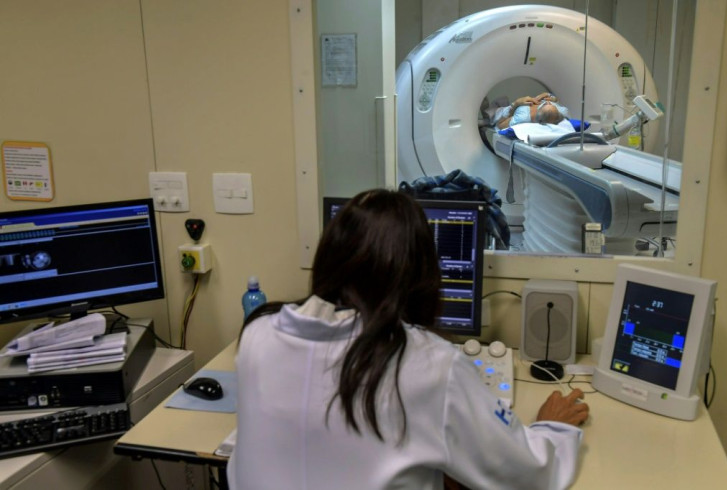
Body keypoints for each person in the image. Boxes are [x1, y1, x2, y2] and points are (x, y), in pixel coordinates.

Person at [227, 189, 589, 490]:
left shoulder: (259, 332)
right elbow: (525, 473)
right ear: (420, 276)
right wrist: (552, 427)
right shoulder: (427, 363)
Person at [492, 92, 570, 129]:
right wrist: (553, 98)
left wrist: (515, 104)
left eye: (546, 104)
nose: (548, 102)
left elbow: (499, 125)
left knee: (492, 114)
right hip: (516, 107)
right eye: (551, 104)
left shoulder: (522, 118)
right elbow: (556, 101)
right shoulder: (561, 112)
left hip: (504, 113)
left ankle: (486, 120)